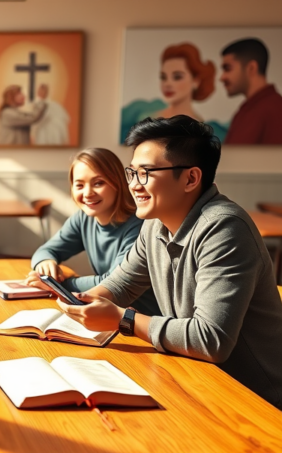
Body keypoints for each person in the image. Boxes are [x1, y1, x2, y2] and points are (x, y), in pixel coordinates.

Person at [55, 116, 282, 409]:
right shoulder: (155, 224)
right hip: (198, 379)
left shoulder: (224, 228)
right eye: (132, 173)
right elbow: (122, 283)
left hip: (255, 400)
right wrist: (81, 301)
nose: (134, 185)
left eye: (146, 173)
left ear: (191, 178)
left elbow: (210, 339)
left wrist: (122, 319)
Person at [25, 148, 159, 316]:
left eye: (98, 183)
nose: (87, 193)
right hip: (111, 313)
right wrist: (45, 263)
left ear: (118, 183)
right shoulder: (83, 218)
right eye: (79, 185)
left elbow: (111, 283)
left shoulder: (139, 224)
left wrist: (58, 285)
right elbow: (46, 250)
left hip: (145, 321)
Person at [220, 38, 282, 144]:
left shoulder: (274, 110)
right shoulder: (249, 109)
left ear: (251, 68)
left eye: (228, 68)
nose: (222, 77)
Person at [154, 43, 215, 121]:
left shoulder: (199, 127)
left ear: (196, 81)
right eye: (163, 77)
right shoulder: (152, 119)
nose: (167, 84)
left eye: (177, 77)